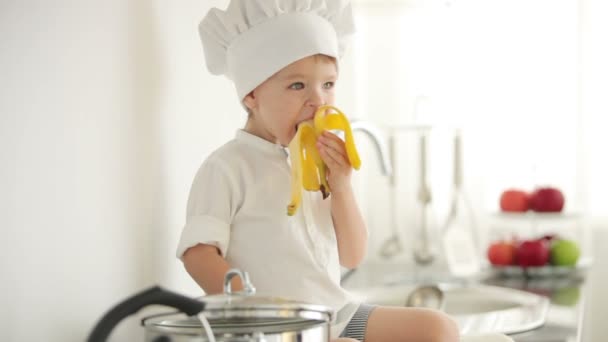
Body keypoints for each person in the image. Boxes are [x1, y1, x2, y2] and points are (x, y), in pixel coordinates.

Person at [177, 1, 459, 341]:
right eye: (297, 86)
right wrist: (249, 308)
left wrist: (341, 186)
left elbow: (353, 256)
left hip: (335, 314)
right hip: (276, 328)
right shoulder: (227, 167)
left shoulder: (314, 161)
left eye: (328, 85)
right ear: (251, 94)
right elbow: (197, 254)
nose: (319, 101)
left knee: (439, 328)